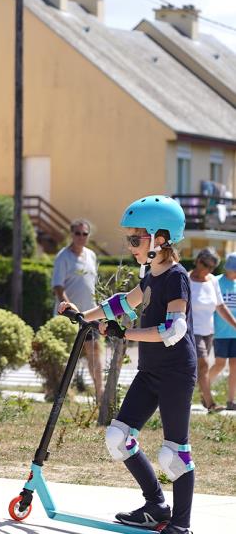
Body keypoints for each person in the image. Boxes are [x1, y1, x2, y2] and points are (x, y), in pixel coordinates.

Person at [58, 195, 196, 534]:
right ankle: (156, 506)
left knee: (174, 454)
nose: (130, 244)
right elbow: (123, 303)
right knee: (118, 437)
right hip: (151, 372)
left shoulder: (176, 277)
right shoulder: (150, 275)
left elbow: (174, 330)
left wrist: (126, 333)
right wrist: (83, 315)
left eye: (136, 238)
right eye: (129, 239)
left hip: (176, 372)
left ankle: (181, 525)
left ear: (160, 239)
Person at [52, 218, 104, 402]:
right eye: (77, 233)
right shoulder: (63, 257)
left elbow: (93, 285)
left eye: (85, 234)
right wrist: (71, 311)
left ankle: (100, 394)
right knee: (64, 356)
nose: (81, 237)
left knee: (94, 352)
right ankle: (59, 393)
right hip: (69, 317)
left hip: (89, 315)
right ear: (71, 235)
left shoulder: (91, 255)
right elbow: (58, 287)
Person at [188, 248, 236, 412]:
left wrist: (235, 324)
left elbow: (221, 307)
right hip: (190, 331)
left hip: (208, 332)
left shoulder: (212, 281)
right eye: (206, 265)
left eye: (212, 267)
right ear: (198, 261)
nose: (208, 270)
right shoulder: (186, 279)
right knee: (203, 366)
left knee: (196, 370)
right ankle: (210, 404)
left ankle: (180, 396)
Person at [209, 252, 236, 411]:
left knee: (235, 366)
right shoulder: (216, 282)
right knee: (219, 364)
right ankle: (202, 388)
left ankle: (231, 401)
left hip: (235, 334)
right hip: (220, 332)